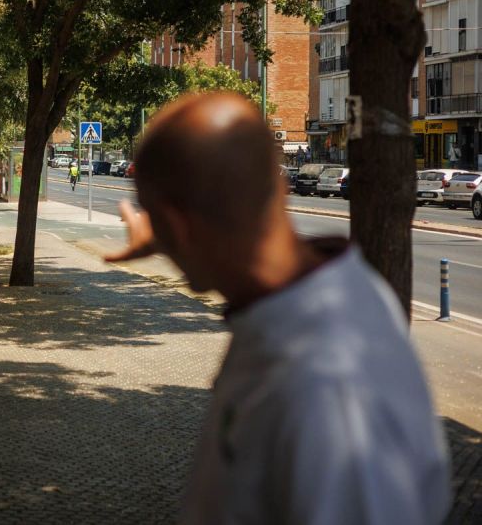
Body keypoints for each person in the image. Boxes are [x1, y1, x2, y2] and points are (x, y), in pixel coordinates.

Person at [106, 92, 450, 525]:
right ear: (281, 184)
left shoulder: (325, 393)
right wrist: (170, 237)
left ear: (180, 226)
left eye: (159, 222)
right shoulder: (333, 284)